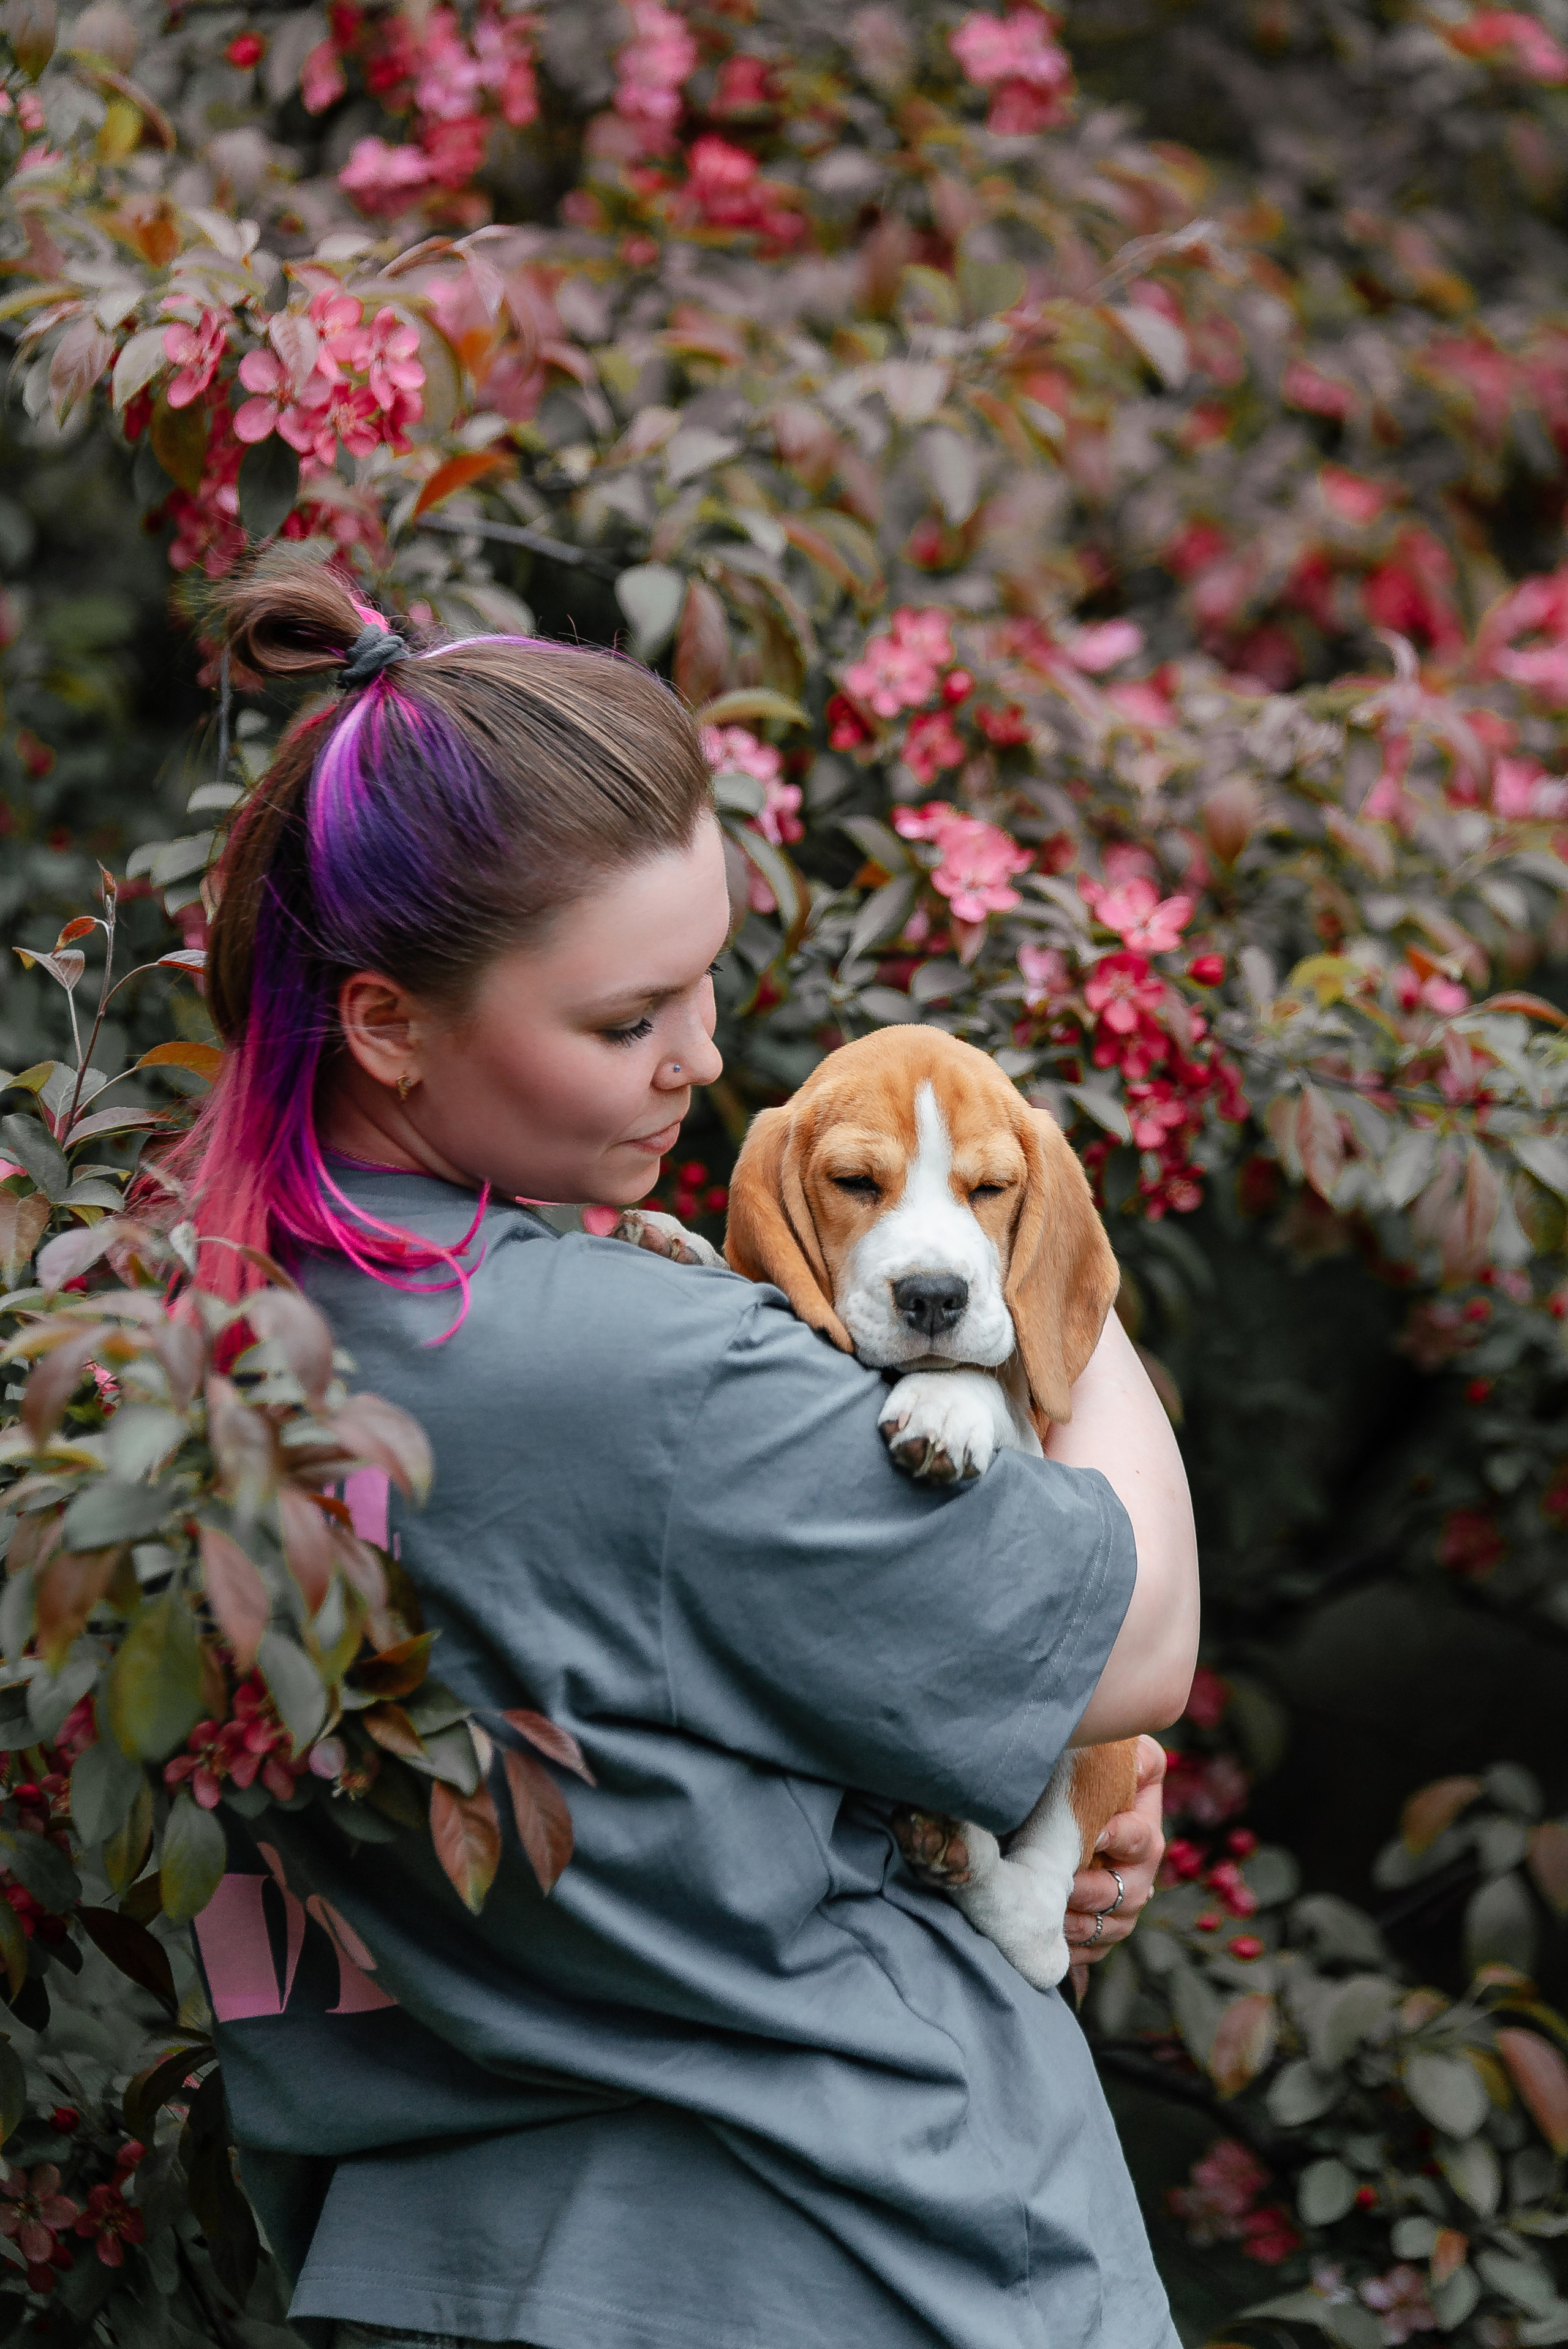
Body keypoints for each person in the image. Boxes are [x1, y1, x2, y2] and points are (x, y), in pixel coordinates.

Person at [167, 562, 1199, 2349]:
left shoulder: (208, 1315)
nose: (702, 1062)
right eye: (626, 1020)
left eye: (702, 990)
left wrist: (1038, 1767)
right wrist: (1037, 1251)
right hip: (832, 2249)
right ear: (389, 1020)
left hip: (434, 2256)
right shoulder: (642, 1369)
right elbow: (1139, 1635)